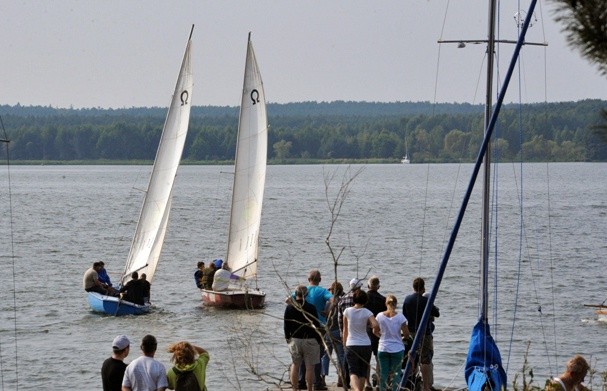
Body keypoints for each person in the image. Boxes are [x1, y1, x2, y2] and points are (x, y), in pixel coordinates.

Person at [402, 277, 440, 391]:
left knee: (412, 356)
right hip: (425, 332)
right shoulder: (426, 301)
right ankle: (426, 386)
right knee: (425, 360)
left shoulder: (407, 299)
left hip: (411, 331)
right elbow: (437, 313)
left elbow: (404, 315)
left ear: (413, 287)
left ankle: (409, 381)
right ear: (423, 288)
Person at [298, 269, 332, 390]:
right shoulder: (322, 291)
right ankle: (317, 383)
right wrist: (328, 311)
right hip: (320, 327)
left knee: (303, 354)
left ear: (308, 280)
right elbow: (334, 299)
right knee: (318, 355)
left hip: (304, 326)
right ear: (320, 280)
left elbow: (288, 300)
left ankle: (301, 381)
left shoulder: (303, 291)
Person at [284, 285, 322, 391]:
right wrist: (318, 340)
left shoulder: (290, 308)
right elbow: (316, 325)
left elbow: (286, 325)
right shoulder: (311, 308)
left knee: (295, 365)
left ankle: (295, 389)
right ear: (306, 295)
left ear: (296, 294)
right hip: (310, 339)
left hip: (295, 339)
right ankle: (310, 388)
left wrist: (288, 339)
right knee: (310, 367)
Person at [342, 289, 380, 391]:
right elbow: (376, 324)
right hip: (365, 344)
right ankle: (360, 389)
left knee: (353, 371)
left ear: (354, 300)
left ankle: (357, 390)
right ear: (365, 301)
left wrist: (344, 344)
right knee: (363, 371)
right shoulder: (367, 312)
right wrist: (375, 331)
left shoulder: (347, 311)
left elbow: (345, 330)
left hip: (351, 343)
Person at [375, 295, 409, 391]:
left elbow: (375, 331)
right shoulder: (400, 317)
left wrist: (380, 336)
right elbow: (406, 334)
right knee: (396, 373)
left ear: (386, 303)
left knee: (383, 373)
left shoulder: (379, 316)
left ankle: (382, 389)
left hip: (383, 347)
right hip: (397, 348)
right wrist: (402, 337)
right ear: (396, 304)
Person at [337, 277, 364, 389]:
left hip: (346, 332)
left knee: (347, 359)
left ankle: (344, 380)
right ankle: (359, 383)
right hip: (359, 334)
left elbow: (339, 319)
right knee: (359, 362)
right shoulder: (362, 299)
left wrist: (341, 333)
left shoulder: (342, 299)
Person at [321, 281, 346, 388]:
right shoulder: (342, 302)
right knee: (341, 355)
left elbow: (326, 316)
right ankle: (341, 378)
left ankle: (322, 378)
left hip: (328, 330)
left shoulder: (328, 303)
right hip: (339, 331)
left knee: (326, 355)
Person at [365, 275, 387, 390]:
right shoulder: (383, 299)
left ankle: (367, 383)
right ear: (378, 287)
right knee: (379, 358)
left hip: (366, 331)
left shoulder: (364, 298)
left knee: (366, 359)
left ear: (368, 285)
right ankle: (379, 382)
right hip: (378, 331)